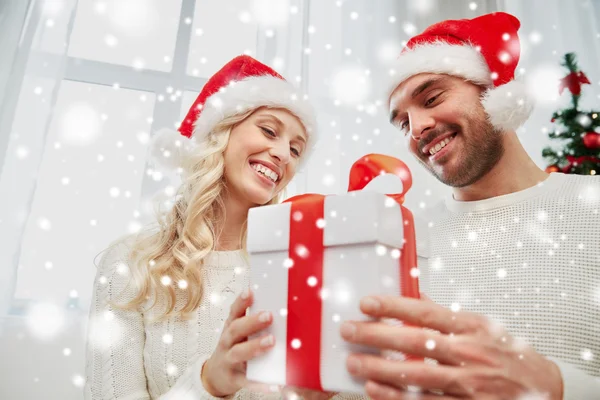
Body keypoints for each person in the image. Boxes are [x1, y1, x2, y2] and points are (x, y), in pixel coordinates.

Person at [339, 12, 600, 400]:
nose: (417, 129)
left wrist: (558, 388)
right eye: (402, 122)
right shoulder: (399, 244)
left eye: (432, 98)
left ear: (495, 91)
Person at [83, 55, 350, 400]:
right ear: (218, 133)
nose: (283, 153)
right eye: (269, 131)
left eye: (296, 150)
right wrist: (209, 383)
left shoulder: (299, 267)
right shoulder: (129, 265)